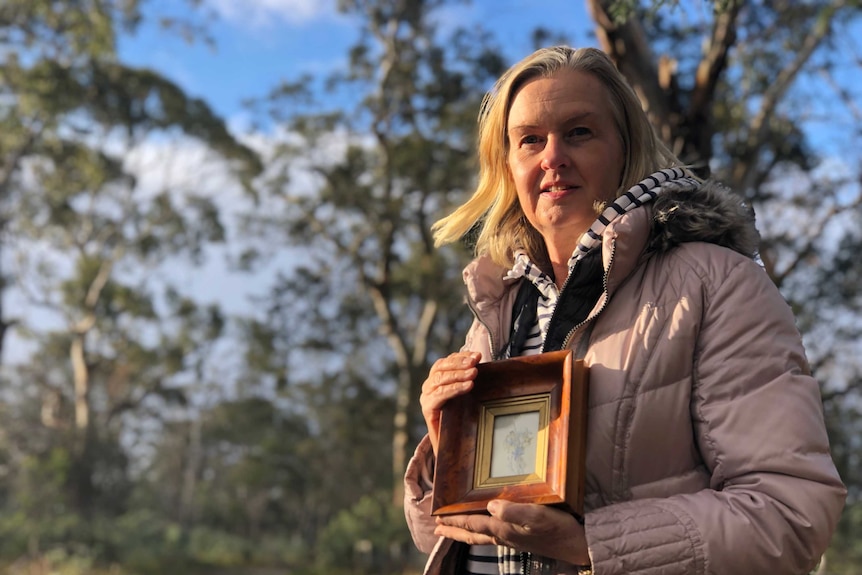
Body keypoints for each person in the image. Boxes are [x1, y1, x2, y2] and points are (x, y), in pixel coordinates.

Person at [403, 45, 846, 575]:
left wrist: (591, 545)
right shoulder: (499, 306)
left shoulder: (716, 285)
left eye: (579, 132)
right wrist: (445, 444)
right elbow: (447, 534)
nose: (552, 158)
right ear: (508, 164)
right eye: (530, 140)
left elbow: (789, 515)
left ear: (625, 148)